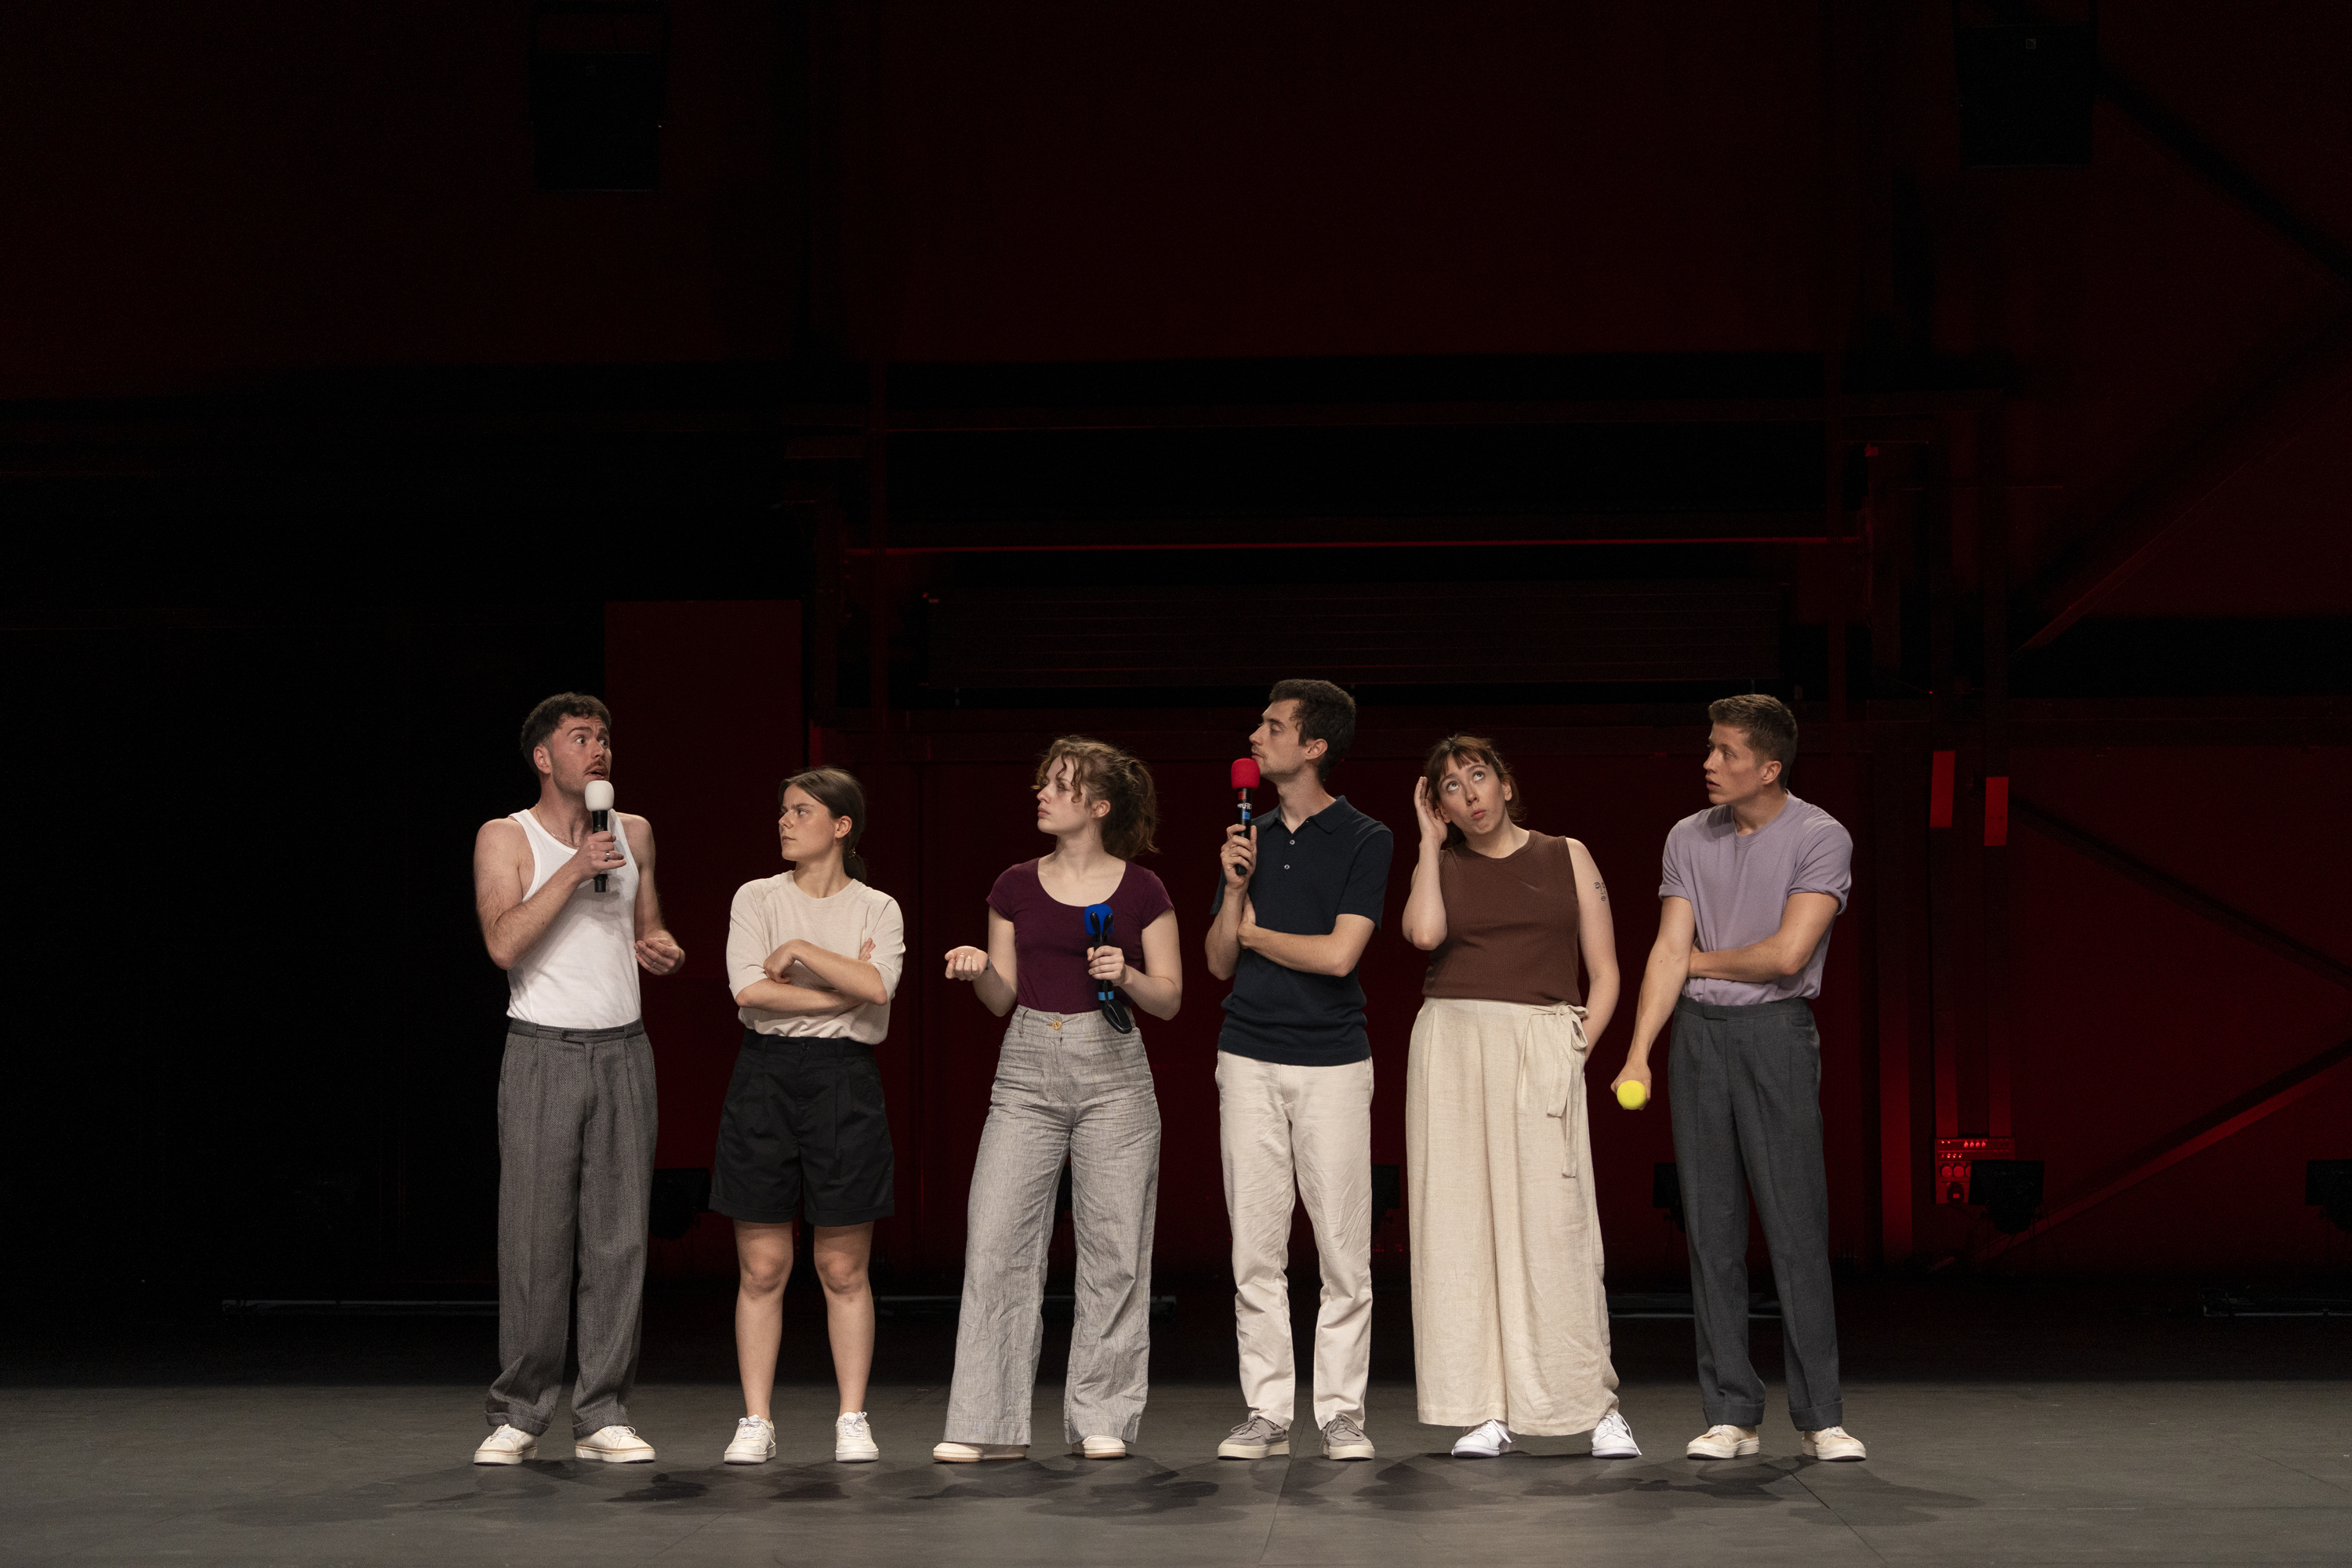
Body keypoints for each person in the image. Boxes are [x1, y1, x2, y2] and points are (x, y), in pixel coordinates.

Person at [1610, 694, 1867, 1463]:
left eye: (1726, 752)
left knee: (1795, 1226)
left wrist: (1696, 960)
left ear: (1769, 767)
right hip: (1698, 1036)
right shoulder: (1688, 835)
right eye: (1710, 747)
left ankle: (1821, 1416)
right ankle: (1730, 1411)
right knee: (1710, 1227)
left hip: (1774, 1033)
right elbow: (1666, 951)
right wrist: (1638, 1052)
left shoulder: (1820, 835)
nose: (1709, 763)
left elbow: (1787, 954)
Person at [935, 738, 1181, 1462]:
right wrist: (977, 968)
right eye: (1044, 782)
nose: (1043, 793)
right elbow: (1000, 997)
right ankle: (987, 1423)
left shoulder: (1143, 889)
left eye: (1061, 784)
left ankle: (1103, 1415)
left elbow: (1169, 998)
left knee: (1115, 1248)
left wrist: (1126, 974)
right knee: (996, 1241)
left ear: (1098, 806)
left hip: (1115, 1071)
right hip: (1028, 1065)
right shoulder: (1014, 884)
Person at [1400, 735, 1641, 1461]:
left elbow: (1606, 972)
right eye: (1450, 787)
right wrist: (1426, 844)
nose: (1469, 794)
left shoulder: (1567, 854)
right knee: (1458, 1228)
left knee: (1555, 1228)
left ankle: (1592, 1405)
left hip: (1541, 1039)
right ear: (1439, 805)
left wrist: (1575, 1050)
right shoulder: (1441, 864)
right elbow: (1423, 933)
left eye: (1478, 776)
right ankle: (1483, 1407)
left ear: (1505, 783)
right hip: (1452, 1042)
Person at [470, 693, 684, 1465]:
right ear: (543, 756)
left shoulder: (635, 831)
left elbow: (647, 925)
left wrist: (661, 947)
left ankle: (602, 1412)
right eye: (580, 737)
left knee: (619, 1239)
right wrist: (573, 869)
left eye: (604, 738)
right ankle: (520, 1411)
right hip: (543, 1051)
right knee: (535, 1238)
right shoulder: (505, 835)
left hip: (623, 1049)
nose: (599, 750)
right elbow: (503, 942)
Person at [1206, 679, 1392, 1463]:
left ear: (1314, 747)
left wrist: (1256, 935)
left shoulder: (1365, 837)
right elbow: (1219, 959)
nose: (1256, 736)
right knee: (1255, 1249)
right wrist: (1235, 892)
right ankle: (1268, 1411)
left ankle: (1341, 1413)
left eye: (1273, 727)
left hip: (1333, 1062)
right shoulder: (1246, 835)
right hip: (1247, 1053)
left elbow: (1340, 954)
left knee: (1343, 1251)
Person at [712, 768, 905, 1467]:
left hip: (844, 1080)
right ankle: (756, 1419)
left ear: (841, 826)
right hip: (765, 1074)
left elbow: (879, 985)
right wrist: (842, 992)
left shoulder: (877, 907)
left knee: (842, 1266)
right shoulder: (756, 896)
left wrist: (798, 953)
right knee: (763, 1265)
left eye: (801, 811)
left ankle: (852, 1416)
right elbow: (749, 990)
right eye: (784, 810)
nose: (785, 821)